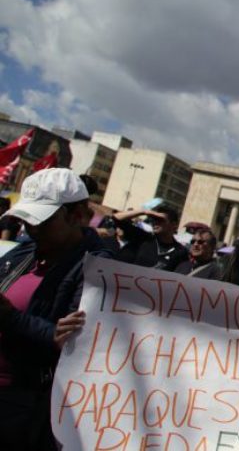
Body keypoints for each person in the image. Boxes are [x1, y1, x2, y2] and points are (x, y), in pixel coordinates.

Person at [0, 168, 112, 450]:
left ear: (77, 215)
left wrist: (11, 318)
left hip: (20, 402)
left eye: (41, 221)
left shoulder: (97, 268)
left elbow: (77, 343)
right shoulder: (26, 251)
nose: (31, 229)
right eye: (26, 221)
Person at [112, 205, 189, 271]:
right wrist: (144, 212)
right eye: (154, 219)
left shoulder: (180, 251)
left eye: (160, 219)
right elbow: (116, 218)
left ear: (174, 225)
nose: (155, 222)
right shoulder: (143, 237)